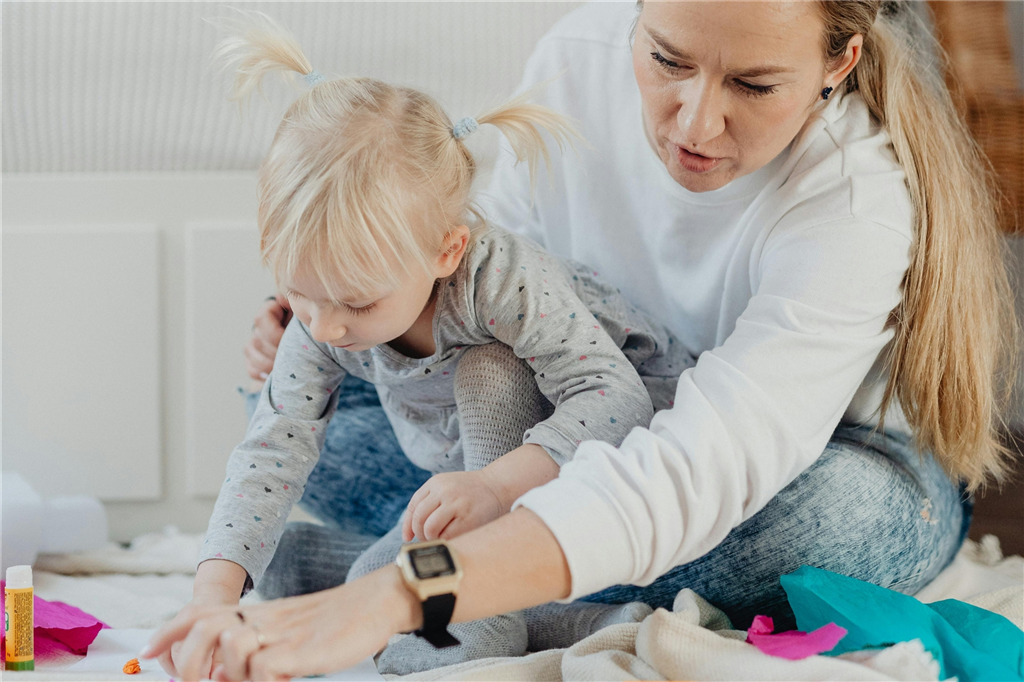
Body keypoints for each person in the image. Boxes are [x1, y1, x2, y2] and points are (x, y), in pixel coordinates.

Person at [143, 1, 1019, 680]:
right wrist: (363, 318)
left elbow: (699, 468)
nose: (694, 123)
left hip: (792, 472)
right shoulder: (574, 58)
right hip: (567, 428)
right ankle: (519, 569)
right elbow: (490, 300)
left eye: (753, 85)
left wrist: (396, 595)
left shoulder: (856, 197)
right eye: (666, 60)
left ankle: (422, 571)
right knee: (292, 408)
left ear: (840, 60)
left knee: (822, 529)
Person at [175, 10, 695, 678]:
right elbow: (276, 445)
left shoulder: (499, 278)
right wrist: (211, 599)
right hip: (470, 468)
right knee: (303, 553)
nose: (325, 326)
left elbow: (620, 400)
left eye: (356, 302)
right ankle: (570, 616)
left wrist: (492, 487)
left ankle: (493, 622)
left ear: (446, 251)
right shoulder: (320, 318)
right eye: (298, 291)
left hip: (610, 448)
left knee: (486, 370)